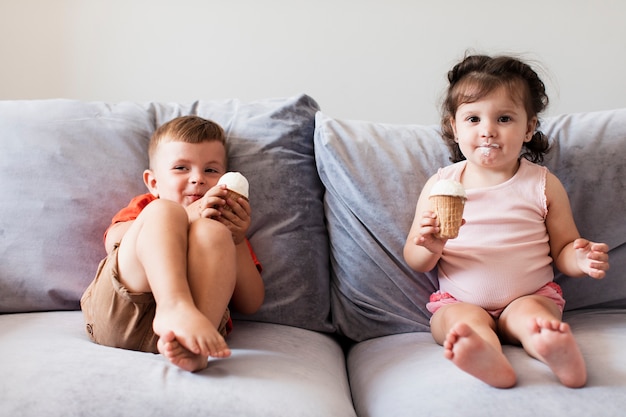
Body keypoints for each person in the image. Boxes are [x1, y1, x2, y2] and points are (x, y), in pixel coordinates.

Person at [403, 54, 610, 388]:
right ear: (454, 128)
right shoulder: (441, 184)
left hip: (530, 295)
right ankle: (486, 357)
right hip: (461, 300)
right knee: (459, 324)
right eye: (473, 119)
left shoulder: (542, 184)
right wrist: (432, 245)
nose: (487, 131)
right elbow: (415, 259)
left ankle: (552, 349)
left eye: (503, 118)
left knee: (534, 318)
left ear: (528, 127)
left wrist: (580, 257)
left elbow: (563, 248)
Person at [81, 115, 264, 372]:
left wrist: (236, 239)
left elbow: (251, 303)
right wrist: (186, 215)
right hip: (123, 312)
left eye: (210, 170)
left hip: (196, 330)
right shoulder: (148, 207)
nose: (198, 179)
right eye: (181, 168)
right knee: (165, 212)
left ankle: (193, 351)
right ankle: (173, 306)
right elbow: (114, 240)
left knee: (214, 232)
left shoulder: (226, 225)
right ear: (154, 182)